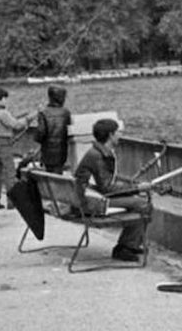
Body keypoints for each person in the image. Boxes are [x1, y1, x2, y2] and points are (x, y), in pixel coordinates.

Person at [73, 118, 153, 262]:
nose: (120, 135)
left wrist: (131, 189)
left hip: (83, 198)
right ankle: (125, 247)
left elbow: (102, 185)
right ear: (110, 135)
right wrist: (136, 188)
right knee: (143, 204)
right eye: (117, 132)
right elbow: (107, 188)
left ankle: (130, 244)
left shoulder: (96, 152)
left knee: (139, 203)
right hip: (89, 203)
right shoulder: (98, 156)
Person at [0, 87, 35, 210]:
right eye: (4, 98)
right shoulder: (3, 113)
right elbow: (16, 125)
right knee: (9, 173)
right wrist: (30, 117)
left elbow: (10, 121)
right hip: (4, 143)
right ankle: (12, 201)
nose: (6, 101)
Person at [33, 84, 72, 172]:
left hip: (47, 152)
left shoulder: (43, 112)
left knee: (50, 172)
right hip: (62, 151)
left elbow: (40, 133)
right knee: (58, 171)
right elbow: (69, 131)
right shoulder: (66, 112)